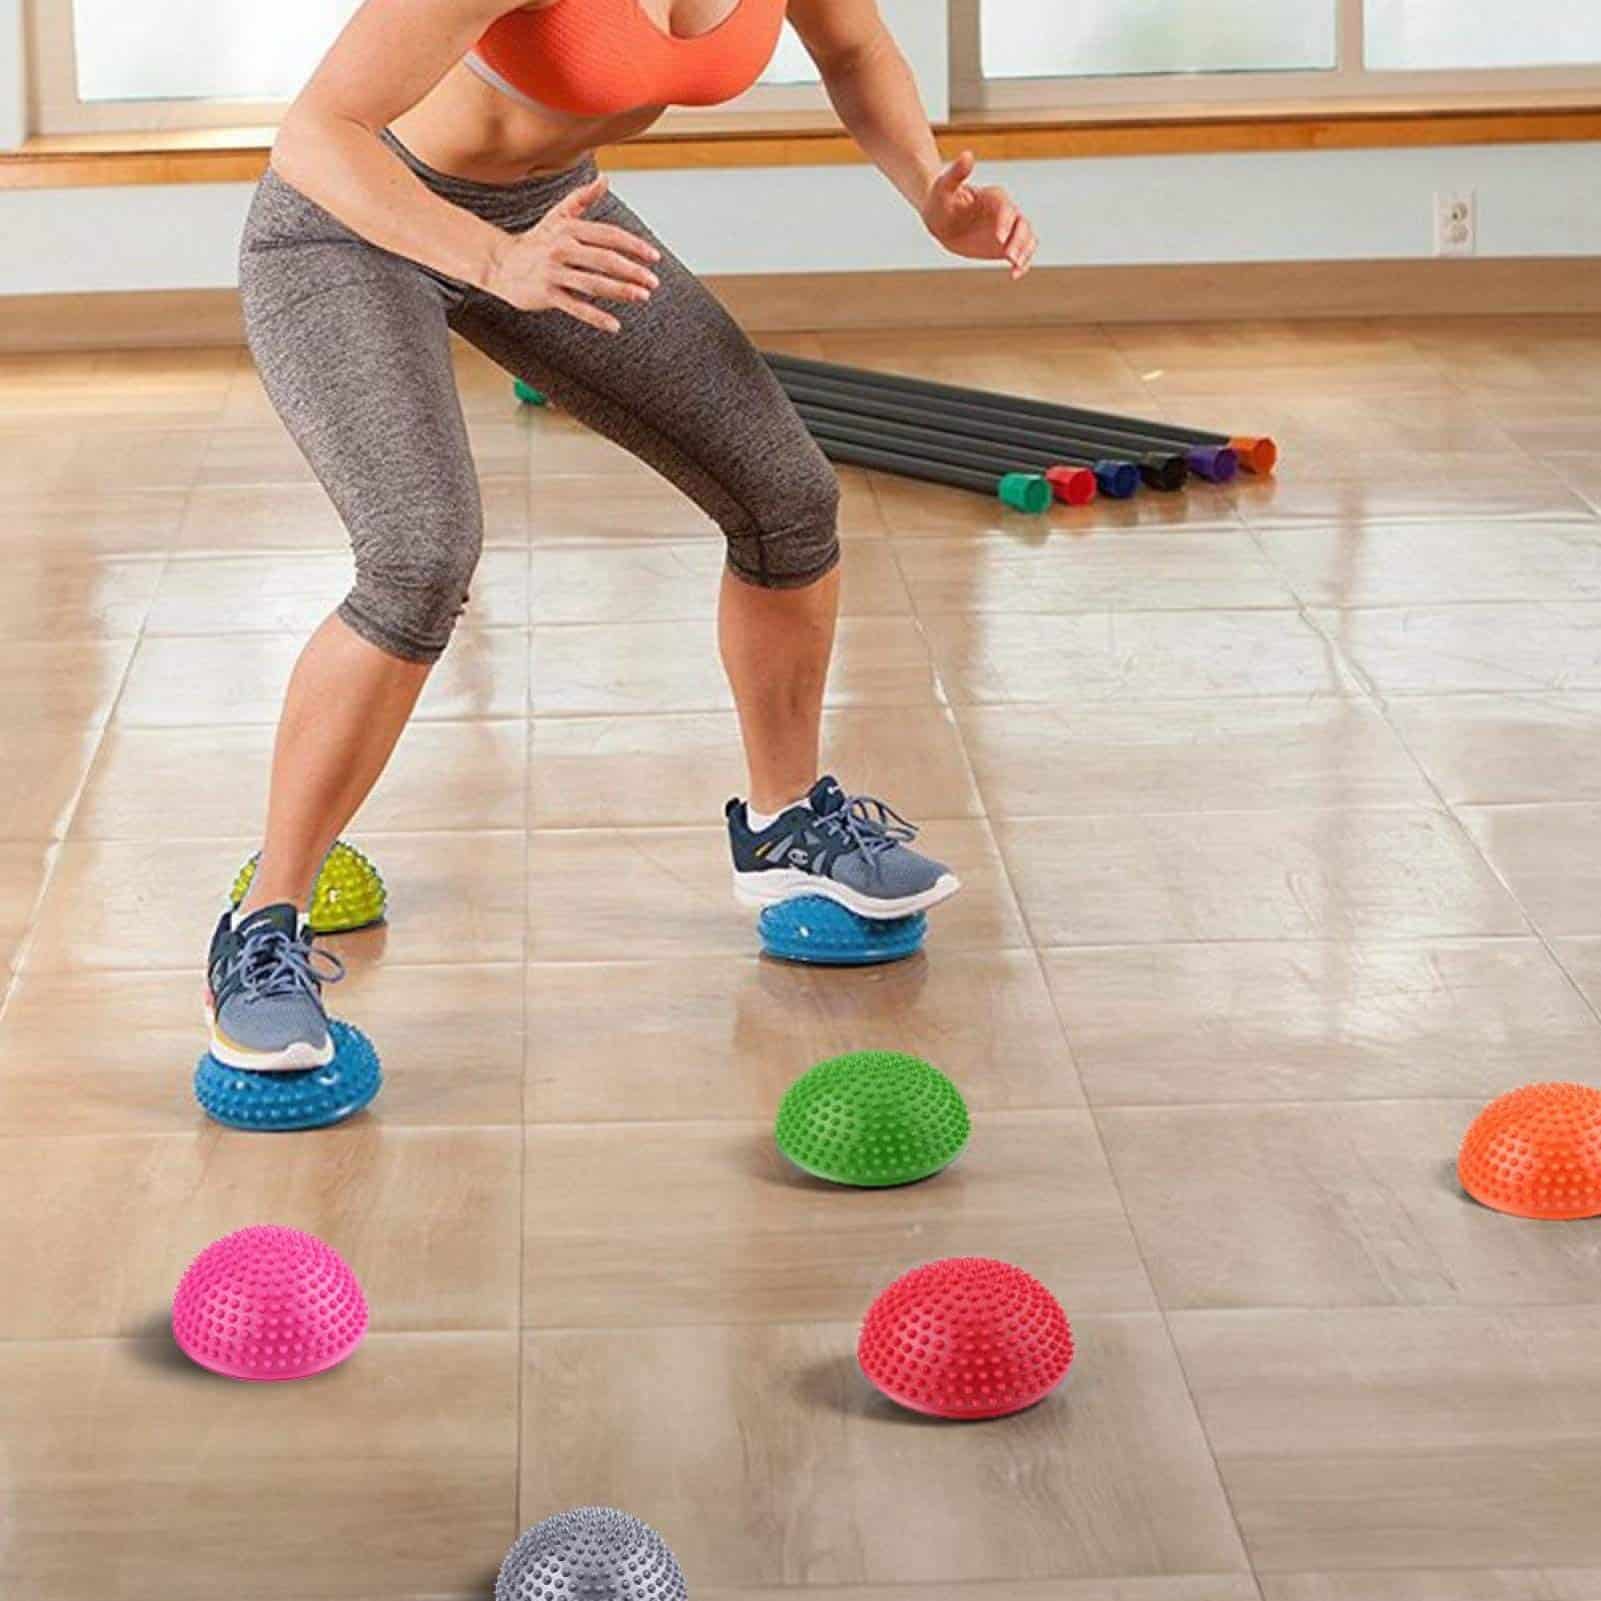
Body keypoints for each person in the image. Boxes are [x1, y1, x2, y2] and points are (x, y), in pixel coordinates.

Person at [207, 0, 1039, 1071]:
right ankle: (263, 926)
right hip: (348, 225)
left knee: (784, 495)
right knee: (418, 554)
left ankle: (784, 828)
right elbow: (316, 133)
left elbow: (853, 46)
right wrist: (489, 260)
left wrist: (930, 189)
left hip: (549, 219)